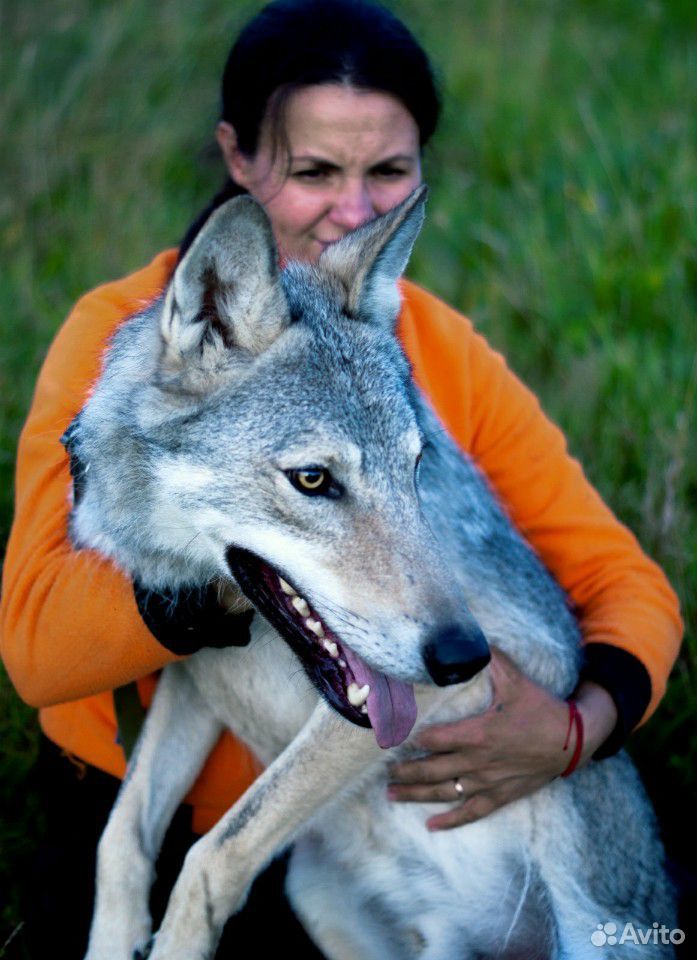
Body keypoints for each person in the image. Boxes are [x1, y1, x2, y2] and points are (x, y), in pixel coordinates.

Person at [0, 0, 682, 954]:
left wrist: (573, 731)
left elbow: (623, 584)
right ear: (238, 157)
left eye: (389, 173)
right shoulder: (127, 333)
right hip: (218, 830)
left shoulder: (408, 335)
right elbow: (34, 647)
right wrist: (209, 596)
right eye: (314, 170)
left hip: (369, 820)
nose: (352, 212)